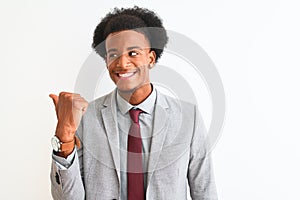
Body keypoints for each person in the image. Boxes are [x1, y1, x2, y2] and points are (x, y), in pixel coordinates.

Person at [49, 6, 218, 200]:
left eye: (133, 53)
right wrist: (64, 139)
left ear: (151, 58)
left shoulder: (189, 117)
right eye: (113, 54)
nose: (122, 63)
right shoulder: (85, 117)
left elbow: (205, 191)